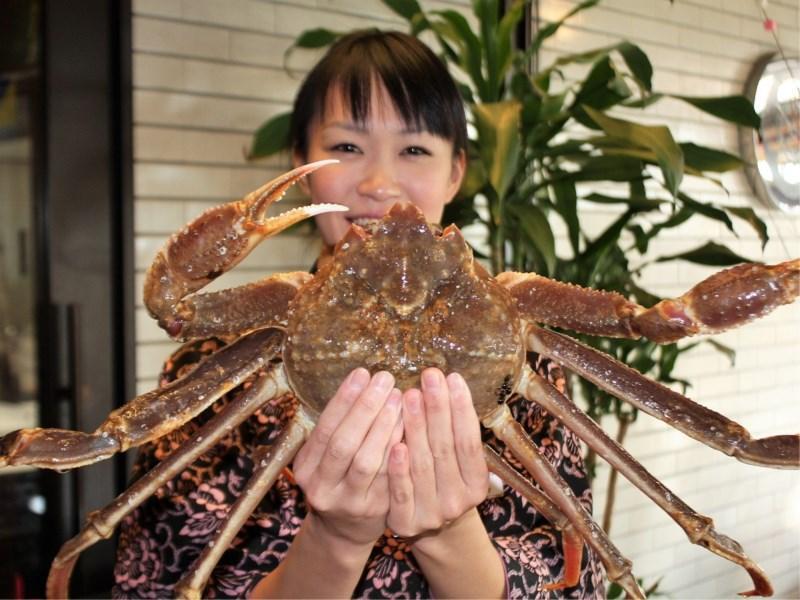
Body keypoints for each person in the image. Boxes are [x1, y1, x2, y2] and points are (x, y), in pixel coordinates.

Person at [113, 30, 604, 599]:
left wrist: (448, 535)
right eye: (346, 147)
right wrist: (336, 540)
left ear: (456, 172)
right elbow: (150, 585)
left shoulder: (520, 358)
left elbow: (579, 585)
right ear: (300, 162)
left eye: (415, 149)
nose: (378, 185)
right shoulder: (212, 366)